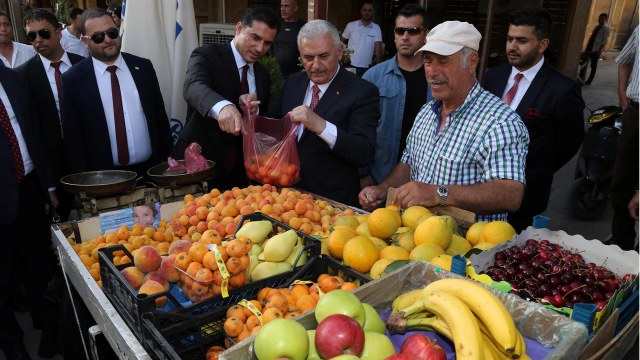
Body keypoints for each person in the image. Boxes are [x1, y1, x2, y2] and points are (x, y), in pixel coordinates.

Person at [359, 21, 529, 222]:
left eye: (443, 61)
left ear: (472, 62)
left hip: (468, 249)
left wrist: (439, 194)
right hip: (417, 240)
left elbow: (510, 194)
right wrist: (382, 189)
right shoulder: (427, 112)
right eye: (428, 61)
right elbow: (408, 164)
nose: (432, 71)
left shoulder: (500, 122)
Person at [484, 8, 584, 231]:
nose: (512, 46)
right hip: (482, 188)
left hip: (528, 194)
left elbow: (569, 143)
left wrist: (538, 167)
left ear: (542, 44)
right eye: (509, 39)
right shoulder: (494, 76)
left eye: (521, 40)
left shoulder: (563, 89)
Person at [272, 19, 379, 206]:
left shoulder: (362, 91)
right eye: (308, 57)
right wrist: (252, 108)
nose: (316, 65)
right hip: (289, 198)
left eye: (323, 56)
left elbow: (364, 152)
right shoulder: (292, 82)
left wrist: (321, 126)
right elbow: (274, 123)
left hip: (332, 203)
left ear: (339, 52)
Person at [172, 6, 280, 191]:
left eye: (267, 43)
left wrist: (254, 111)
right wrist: (223, 107)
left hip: (242, 173)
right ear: (239, 28)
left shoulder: (263, 74)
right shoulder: (207, 55)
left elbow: (262, 116)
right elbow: (193, 87)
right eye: (255, 37)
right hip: (199, 166)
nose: (260, 48)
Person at [61, 8, 172, 177]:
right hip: (103, 178)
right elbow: (73, 138)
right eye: (98, 37)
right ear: (84, 41)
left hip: (151, 171)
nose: (107, 40)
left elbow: (159, 118)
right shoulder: (73, 79)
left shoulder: (143, 67)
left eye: (112, 33)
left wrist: (167, 161)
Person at [0, 63, 58, 360]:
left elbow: (33, 133)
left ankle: (48, 333)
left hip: (30, 188)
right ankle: (13, 347)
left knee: (38, 264)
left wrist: (47, 185)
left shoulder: (13, 78)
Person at [17, 9, 84, 222]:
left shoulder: (84, 64)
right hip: (51, 167)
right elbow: (30, 129)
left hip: (88, 158)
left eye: (44, 33)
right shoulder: (23, 75)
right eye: (31, 36)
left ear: (58, 33)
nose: (38, 40)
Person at [362, 4, 431, 188]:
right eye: (400, 31)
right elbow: (360, 129)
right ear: (394, 35)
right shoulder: (373, 77)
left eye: (413, 31)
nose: (405, 36)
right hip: (379, 177)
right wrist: (363, 174)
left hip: (425, 180)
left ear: (426, 35)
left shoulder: (437, 79)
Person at [609, 25, 639, 251]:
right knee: (622, 183)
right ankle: (622, 243)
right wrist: (622, 89)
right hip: (635, 114)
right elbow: (625, 58)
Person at [341, 1, 383, 77]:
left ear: (373, 12)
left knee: (364, 88)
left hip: (367, 68)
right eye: (365, 10)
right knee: (350, 87)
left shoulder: (376, 28)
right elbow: (341, 41)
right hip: (350, 65)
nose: (367, 12)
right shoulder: (351, 25)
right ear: (361, 11)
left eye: (369, 10)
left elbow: (378, 48)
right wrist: (347, 54)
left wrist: (378, 67)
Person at [271, 0, 305, 77]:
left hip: (296, 75)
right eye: (281, 6)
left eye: (286, 6)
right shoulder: (276, 26)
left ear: (295, 8)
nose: (283, 9)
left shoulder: (304, 27)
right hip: (276, 75)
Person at [582, 13, 610, 85]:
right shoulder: (597, 27)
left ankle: (589, 81)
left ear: (605, 19)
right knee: (584, 62)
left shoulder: (606, 29)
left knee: (593, 66)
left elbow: (605, 40)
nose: (600, 20)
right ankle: (581, 78)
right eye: (599, 19)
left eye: (602, 19)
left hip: (596, 49)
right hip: (590, 47)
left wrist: (599, 50)